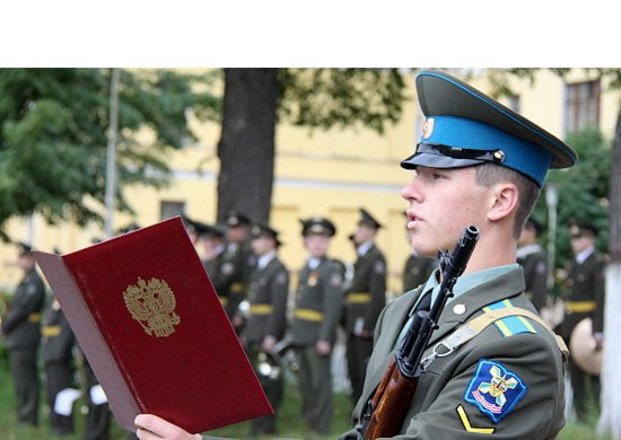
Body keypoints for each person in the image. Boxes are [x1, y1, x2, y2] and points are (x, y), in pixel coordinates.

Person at [134, 69, 576, 439]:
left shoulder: (519, 349)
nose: (409, 191)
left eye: (436, 177)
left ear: (500, 201)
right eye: (416, 174)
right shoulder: (404, 310)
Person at [291, 216, 344, 436]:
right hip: (302, 334)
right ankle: (311, 420)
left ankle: (322, 427)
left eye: (322, 239)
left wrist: (325, 337)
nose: (318, 243)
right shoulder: (307, 269)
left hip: (317, 336)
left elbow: (332, 308)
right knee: (306, 382)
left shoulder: (330, 270)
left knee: (320, 383)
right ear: (305, 241)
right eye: (313, 238)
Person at [244, 223, 290, 436]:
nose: (255, 243)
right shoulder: (261, 267)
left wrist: (271, 334)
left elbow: (278, 307)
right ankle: (257, 423)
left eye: (259, 239)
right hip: (255, 330)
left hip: (266, 333)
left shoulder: (277, 269)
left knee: (269, 381)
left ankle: (267, 424)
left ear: (270, 242)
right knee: (257, 381)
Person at [560, 220, 606, 422]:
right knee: (576, 375)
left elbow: (600, 299)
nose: (574, 242)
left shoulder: (597, 263)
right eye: (573, 238)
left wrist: (598, 331)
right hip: (572, 326)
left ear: (589, 238)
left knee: (594, 373)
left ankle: (597, 413)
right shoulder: (575, 262)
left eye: (578, 238)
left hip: (588, 326)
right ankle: (582, 416)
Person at [343, 208, 387, 405]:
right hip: (353, 322)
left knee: (363, 370)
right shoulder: (362, 257)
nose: (358, 232)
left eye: (362, 228)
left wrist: (368, 324)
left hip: (363, 324)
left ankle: (363, 412)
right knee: (352, 369)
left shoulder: (376, 257)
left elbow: (377, 295)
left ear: (371, 232)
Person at [1, 242, 46, 426]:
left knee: (27, 377)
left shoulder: (34, 282)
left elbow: (22, 310)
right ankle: (23, 413)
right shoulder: (26, 280)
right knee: (20, 378)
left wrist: (5, 326)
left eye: (23, 258)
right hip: (19, 336)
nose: (20, 262)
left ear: (31, 259)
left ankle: (29, 415)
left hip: (26, 336)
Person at [41, 294, 76, 435]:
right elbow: (46, 323)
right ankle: (56, 424)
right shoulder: (52, 301)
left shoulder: (67, 301)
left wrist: (59, 353)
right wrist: (54, 309)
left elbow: (66, 332)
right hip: (50, 355)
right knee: (52, 392)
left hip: (60, 357)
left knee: (62, 394)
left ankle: (65, 426)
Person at [222, 210, 257, 330]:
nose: (234, 232)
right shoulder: (225, 251)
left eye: (238, 229)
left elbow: (249, 283)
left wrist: (240, 311)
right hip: (225, 304)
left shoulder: (249, 253)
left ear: (245, 230)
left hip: (238, 304)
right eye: (231, 228)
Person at [516, 217, 549, 311]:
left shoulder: (538, 257)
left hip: (526, 309)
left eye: (521, 228)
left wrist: (534, 312)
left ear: (531, 232)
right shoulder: (515, 254)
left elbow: (539, 290)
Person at [402, 212, 436, 292]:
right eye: (407, 229)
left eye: (411, 229)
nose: (407, 234)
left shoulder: (428, 258)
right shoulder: (412, 258)